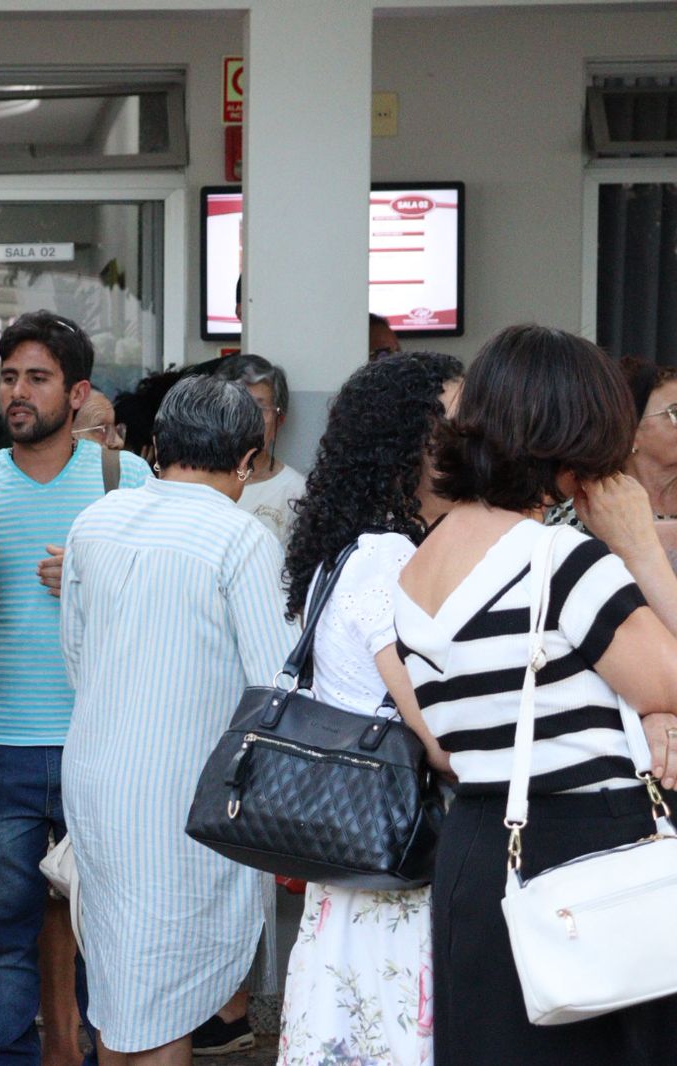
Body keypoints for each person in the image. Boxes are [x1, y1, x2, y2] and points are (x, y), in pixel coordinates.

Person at [395, 325, 677, 1066]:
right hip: (590, 858)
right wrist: (640, 546)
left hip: (481, 852)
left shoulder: (418, 568)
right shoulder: (560, 560)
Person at [60, 374, 293, 1065]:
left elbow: (78, 656)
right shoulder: (240, 539)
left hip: (97, 779)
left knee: (124, 983)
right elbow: (275, 689)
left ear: (157, 445)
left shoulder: (94, 523)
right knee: (170, 992)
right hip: (188, 793)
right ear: (248, 461)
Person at [0, 311, 148, 1066]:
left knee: (108, 935)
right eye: (9, 377)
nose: (17, 392)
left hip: (97, 746)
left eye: (36, 378)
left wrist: (92, 575)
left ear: (77, 394)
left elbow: (164, 598)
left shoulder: (124, 478)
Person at [273, 352, 462, 1066]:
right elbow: (437, 733)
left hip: (352, 869)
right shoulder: (386, 560)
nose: (473, 444)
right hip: (398, 867)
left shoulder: (342, 553)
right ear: (404, 446)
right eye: (453, 428)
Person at [211, 354, 306, 545]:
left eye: (259, 408)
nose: (247, 418)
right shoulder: (200, 482)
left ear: (279, 419)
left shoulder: (297, 492)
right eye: (236, 405)